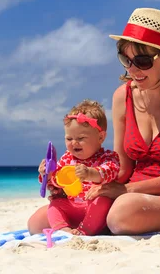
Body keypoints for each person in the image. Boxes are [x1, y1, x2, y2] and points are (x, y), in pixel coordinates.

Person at [27, 7, 160, 235]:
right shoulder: (123, 95)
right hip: (131, 193)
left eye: (143, 61)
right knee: (38, 222)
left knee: (121, 215)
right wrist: (83, 179)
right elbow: (123, 166)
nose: (132, 69)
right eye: (125, 60)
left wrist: (126, 190)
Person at [37, 100, 120, 235]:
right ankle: (63, 230)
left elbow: (110, 171)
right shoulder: (67, 158)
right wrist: (48, 174)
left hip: (94, 208)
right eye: (69, 139)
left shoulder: (107, 157)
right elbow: (58, 183)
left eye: (81, 138)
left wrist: (90, 173)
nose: (74, 142)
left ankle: (85, 231)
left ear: (100, 137)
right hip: (72, 206)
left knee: (103, 201)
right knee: (55, 205)